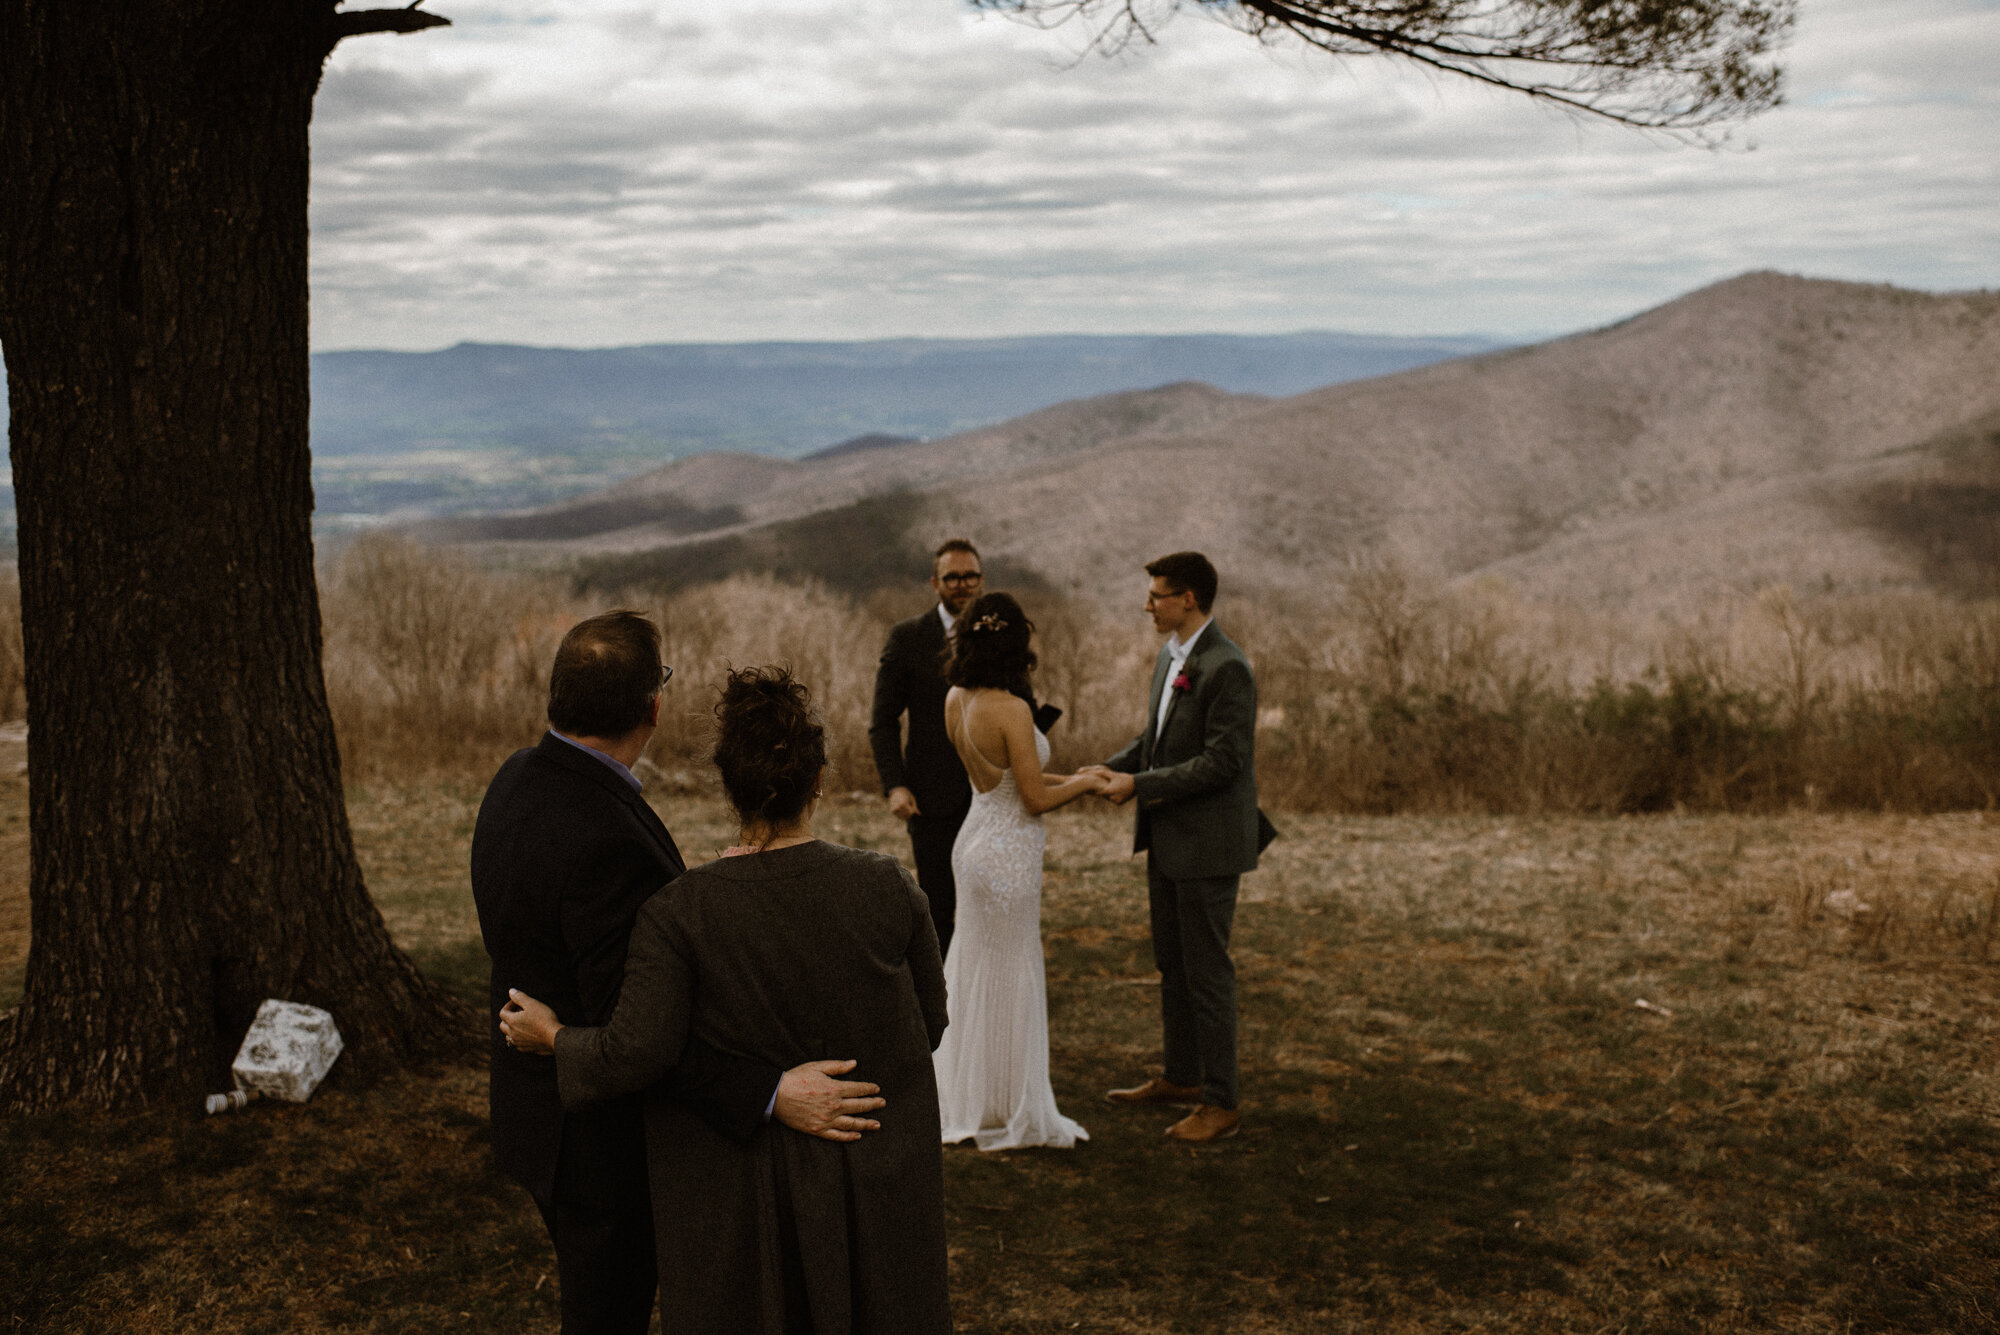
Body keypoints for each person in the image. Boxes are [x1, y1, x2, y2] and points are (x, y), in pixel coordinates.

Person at [501, 665, 952, 1335]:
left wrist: (553, 1037)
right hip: (872, 1183)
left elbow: (634, 1051)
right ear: (819, 780)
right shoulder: (891, 886)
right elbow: (932, 1021)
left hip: (749, 1204)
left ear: (728, 786)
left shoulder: (678, 912)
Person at [1085, 553, 1278, 1145]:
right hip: (1169, 840)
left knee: (1207, 973)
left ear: (1188, 599)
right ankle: (1182, 1076)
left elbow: (1224, 762)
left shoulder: (1227, 667)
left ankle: (1222, 1103)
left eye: (1157, 595)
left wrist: (1138, 786)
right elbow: (1158, 739)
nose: (1148, 605)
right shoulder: (1173, 657)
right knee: (1173, 964)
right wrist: (1106, 769)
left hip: (1209, 846)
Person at [933, 592, 1103, 1150]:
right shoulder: (1010, 708)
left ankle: (973, 1097)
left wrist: (1078, 778)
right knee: (1013, 967)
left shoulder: (956, 698)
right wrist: (1086, 783)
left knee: (975, 965)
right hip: (1008, 856)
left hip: (973, 841)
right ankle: (1011, 1105)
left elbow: (1004, 785)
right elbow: (1031, 798)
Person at [870, 538, 1058, 958]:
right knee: (939, 911)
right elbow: (883, 721)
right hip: (932, 800)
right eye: (952, 577)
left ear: (982, 579)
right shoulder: (907, 638)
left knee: (994, 908)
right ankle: (939, 1007)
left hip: (997, 800)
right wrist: (894, 786)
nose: (962, 584)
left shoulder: (1001, 637)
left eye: (969, 575)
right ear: (935, 583)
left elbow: (1022, 709)